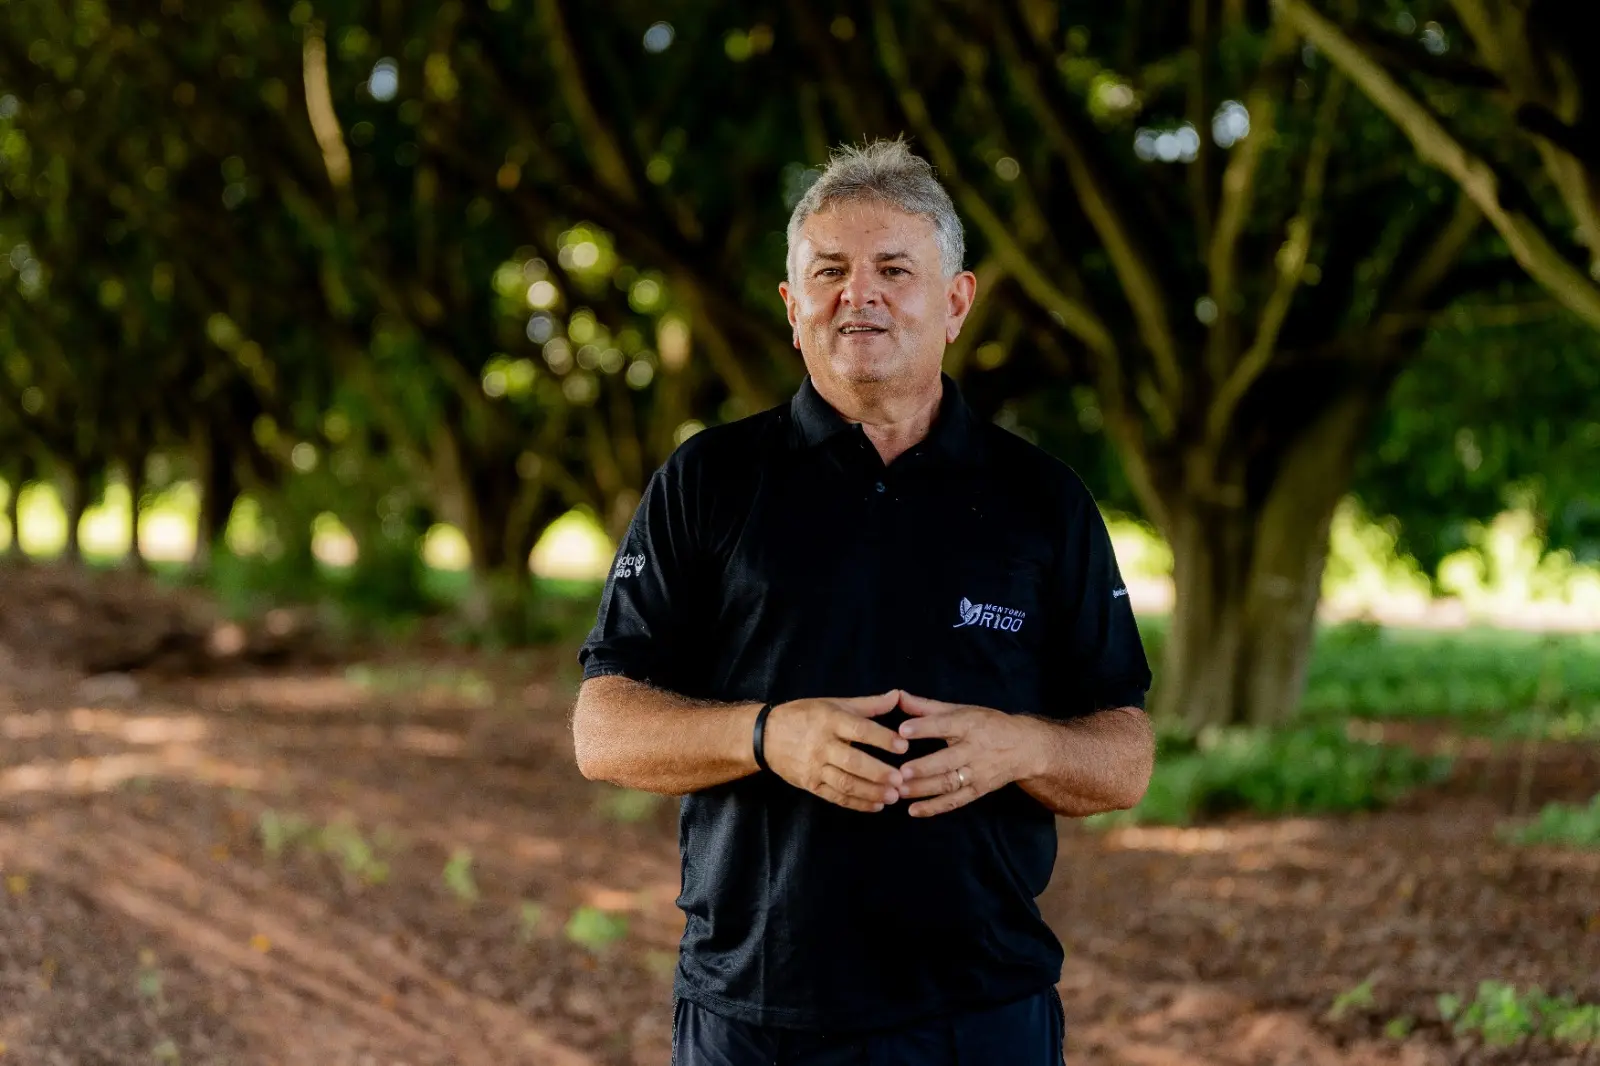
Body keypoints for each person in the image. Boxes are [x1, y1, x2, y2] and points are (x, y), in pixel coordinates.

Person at [572, 139, 1154, 1065]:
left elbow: (1125, 758)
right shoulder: (708, 482)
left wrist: (1028, 745)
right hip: (757, 1015)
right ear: (792, 306)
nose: (860, 294)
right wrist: (765, 735)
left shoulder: (1042, 501)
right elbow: (602, 731)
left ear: (956, 301)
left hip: (983, 1014)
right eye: (830, 271)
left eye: (894, 269)